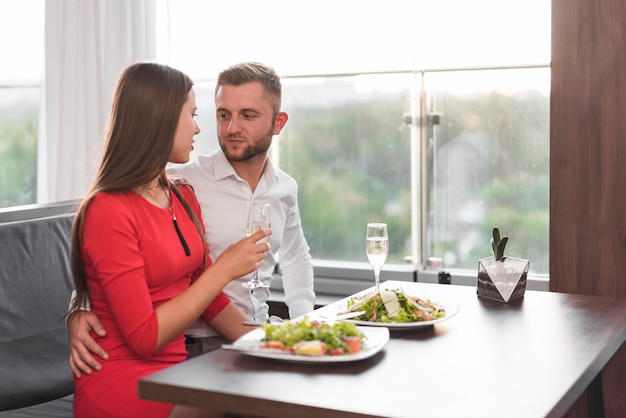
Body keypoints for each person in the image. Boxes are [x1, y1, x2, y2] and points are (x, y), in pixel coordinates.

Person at [68, 62, 315, 372]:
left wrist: (305, 326)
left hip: (252, 330)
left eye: (248, 115)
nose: (231, 128)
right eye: (223, 115)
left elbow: (296, 259)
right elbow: (110, 257)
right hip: (196, 344)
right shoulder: (184, 183)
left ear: (278, 123)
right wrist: (78, 308)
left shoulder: (284, 189)